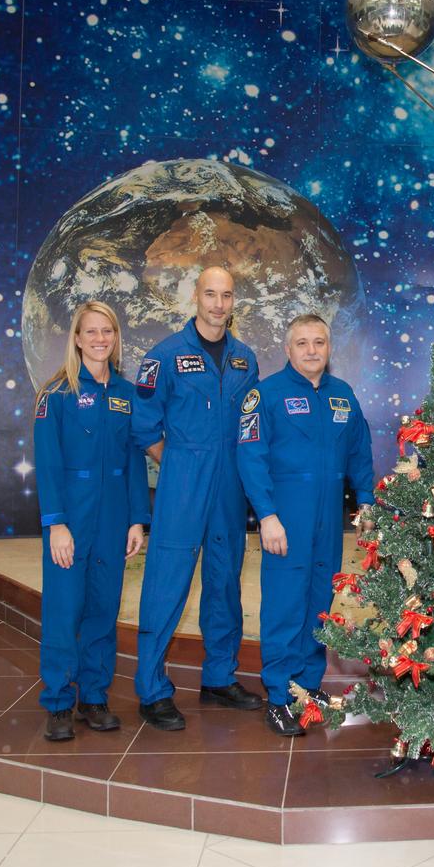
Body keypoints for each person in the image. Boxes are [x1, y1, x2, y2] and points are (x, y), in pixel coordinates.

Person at [132, 266, 263, 731]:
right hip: (183, 481)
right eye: (211, 294)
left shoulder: (246, 360)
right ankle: (152, 689)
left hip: (230, 483)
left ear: (234, 301)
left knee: (225, 582)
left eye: (227, 295)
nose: (218, 304)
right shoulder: (164, 356)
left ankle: (219, 677)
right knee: (167, 583)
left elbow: (252, 429)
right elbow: (144, 423)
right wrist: (178, 464)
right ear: (195, 297)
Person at [237, 314, 375, 736]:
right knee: (283, 606)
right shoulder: (265, 395)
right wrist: (268, 516)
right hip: (286, 516)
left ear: (329, 348)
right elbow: (251, 457)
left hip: (328, 518)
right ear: (287, 348)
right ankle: (278, 695)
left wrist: (366, 502)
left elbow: (360, 452)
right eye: (302, 343)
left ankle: (307, 686)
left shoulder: (342, 396)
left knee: (319, 603)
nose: (311, 350)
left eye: (319, 342)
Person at [33, 301, 150, 742]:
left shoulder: (125, 394)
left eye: (108, 331)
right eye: (92, 332)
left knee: (104, 609)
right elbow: (48, 464)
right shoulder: (56, 394)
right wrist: (55, 524)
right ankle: (60, 702)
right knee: (65, 611)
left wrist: (137, 519)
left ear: (115, 338)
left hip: (114, 517)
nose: (101, 339)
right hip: (71, 518)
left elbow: (134, 461)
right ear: (77, 339)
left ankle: (94, 697)